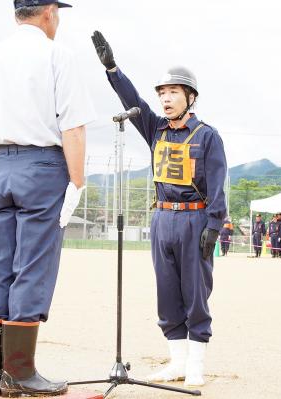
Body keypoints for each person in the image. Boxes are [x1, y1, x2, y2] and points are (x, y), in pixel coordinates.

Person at [0, 1, 95, 396]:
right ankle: (19, 371)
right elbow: (73, 127)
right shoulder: (57, 55)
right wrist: (77, 184)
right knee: (34, 265)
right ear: (49, 12)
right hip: (41, 168)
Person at [92, 31, 227, 387]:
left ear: (190, 97)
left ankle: (196, 363)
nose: (166, 100)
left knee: (195, 292)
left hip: (195, 218)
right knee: (166, 292)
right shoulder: (156, 129)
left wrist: (214, 225)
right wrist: (112, 69)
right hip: (162, 217)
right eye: (162, 94)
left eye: (173, 93)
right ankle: (176, 362)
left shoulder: (208, 136)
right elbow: (132, 99)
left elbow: (217, 182)